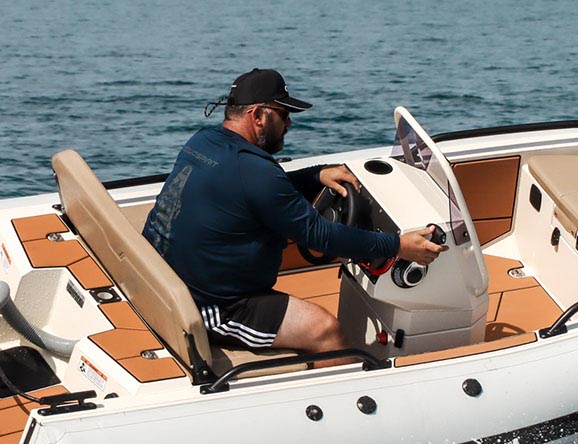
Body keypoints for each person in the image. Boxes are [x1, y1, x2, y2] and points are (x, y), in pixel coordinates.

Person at [142, 68, 446, 355]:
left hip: (167, 279)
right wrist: (398, 246)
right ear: (257, 115)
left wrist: (316, 175)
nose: (289, 123)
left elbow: (255, 189)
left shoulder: (203, 141)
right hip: (212, 307)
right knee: (325, 330)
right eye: (284, 114)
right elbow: (321, 236)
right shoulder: (256, 171)